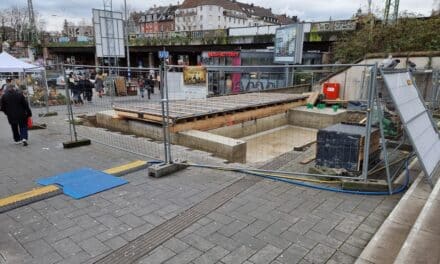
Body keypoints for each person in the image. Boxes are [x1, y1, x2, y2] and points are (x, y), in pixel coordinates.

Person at [1, 82, 32, 146]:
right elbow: (25, 105)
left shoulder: (4, 96)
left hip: (11, 115)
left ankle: (17, 139)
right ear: (14, 88)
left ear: (7, 88)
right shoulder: (20, 94)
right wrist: (29, 113)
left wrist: (6, 113)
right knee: (23, 126)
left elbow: (2, 107)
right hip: (21, 114)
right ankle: (24, 138)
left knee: (14, 127)